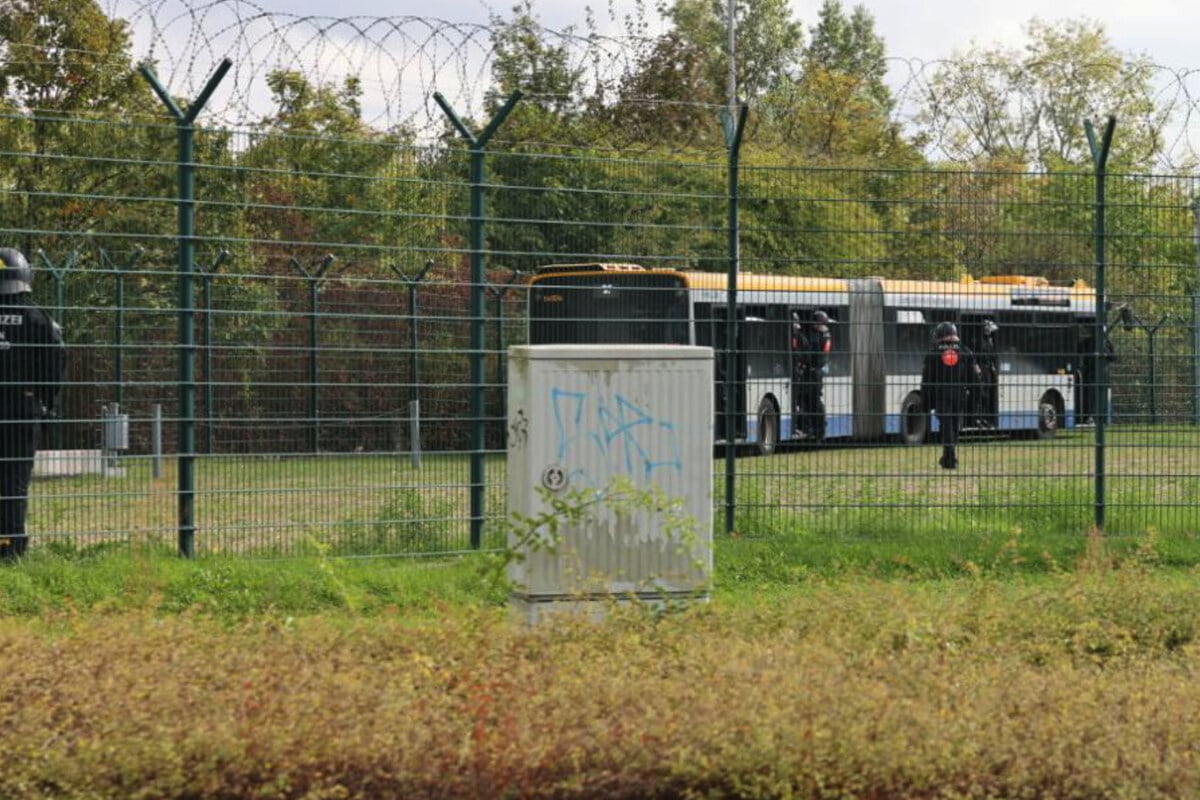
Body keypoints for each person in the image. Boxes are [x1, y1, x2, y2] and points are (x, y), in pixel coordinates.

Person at [0, 247, 66, 559]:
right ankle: (9, 547)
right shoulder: (40, 321)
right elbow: (54, 369)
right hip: (21, 411)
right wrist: (46, 406)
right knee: (14, 481)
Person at [921, 321, 977, 470]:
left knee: (945, 425)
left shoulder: (933, 353)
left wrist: (926, 401)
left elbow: (927, 379)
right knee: (954, 424)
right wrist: (974, 397)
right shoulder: (965, 351)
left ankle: (949, 458)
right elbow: (974, 378)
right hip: (959, 393)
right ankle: (949, 456)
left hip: (942, 393)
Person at [791, 309, 832, 441]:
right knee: (805, 402)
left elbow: (822, 356)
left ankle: (819, 431)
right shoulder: (808, 334)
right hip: (807, 372)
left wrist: (811, 365)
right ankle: (809, 429)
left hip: (815, 373)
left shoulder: (824, 335)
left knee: (815, 402)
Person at [975, 319, 999, 428]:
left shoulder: (989, 340)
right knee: (982, 394)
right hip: (982, 369)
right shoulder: (980, 341)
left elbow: (992, 355)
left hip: (988, 370)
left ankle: (985, 417)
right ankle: (978, 418)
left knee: (987, 394)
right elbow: (982, 354)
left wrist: (993, 367)